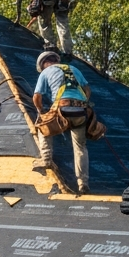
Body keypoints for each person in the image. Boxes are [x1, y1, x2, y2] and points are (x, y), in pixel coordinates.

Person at [32, 50, 93, 194]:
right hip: (80, 111)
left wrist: (41, 111)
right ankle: (83, 182)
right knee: (80, 147)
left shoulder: (46, 72)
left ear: (44, 64)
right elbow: (87, 90)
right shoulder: (74, 69)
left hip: (63, 109)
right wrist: (83, 102)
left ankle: (46, 158)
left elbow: (36, 97)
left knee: (43, 127)